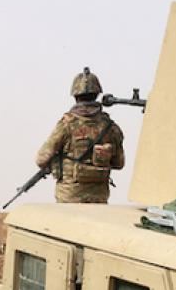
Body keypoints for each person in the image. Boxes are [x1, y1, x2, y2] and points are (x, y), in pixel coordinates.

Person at [33, 67, 126, 203]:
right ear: (97, 94)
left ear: (75, 96)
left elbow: (41, 159)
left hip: (69, 196)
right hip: (98, 197)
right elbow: (119, 163)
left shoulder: (66, 125)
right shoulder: (110, 127)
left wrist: (57, 163)